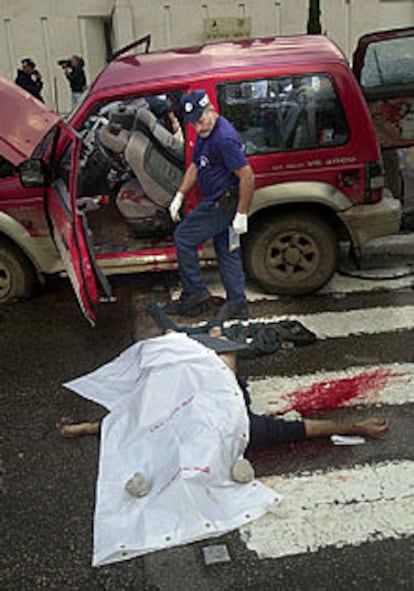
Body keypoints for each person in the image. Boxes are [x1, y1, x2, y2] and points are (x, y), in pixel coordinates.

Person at [57, 326, 389, 451]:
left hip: (209, 392)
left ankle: (210, 337)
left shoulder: (218, 427)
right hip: (219, 393)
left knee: (215, 360)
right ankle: (212, 336)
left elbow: (136, 422)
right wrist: (357, 427)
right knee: (221, 360)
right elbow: (306, 429)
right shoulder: (246, 430)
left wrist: (85, 427)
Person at [165, 89, 255, 321]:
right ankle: (237, 304)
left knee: (183, 237)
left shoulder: (224, 138)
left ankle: (195, 293)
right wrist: (180, 195)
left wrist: (242, 213)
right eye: (193, 123)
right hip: (219, 200)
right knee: (228, 251)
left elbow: (247, 176)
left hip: (223, 203)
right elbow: (196, 165)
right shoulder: (207, 132)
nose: (199, 126)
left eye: (201, 120)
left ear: (211, 109)